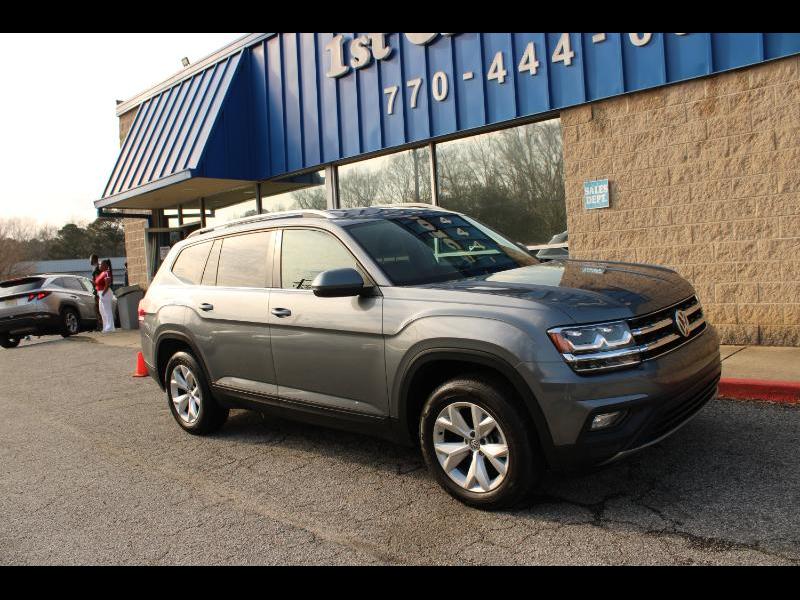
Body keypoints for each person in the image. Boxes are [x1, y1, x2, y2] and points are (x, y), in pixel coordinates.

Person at [95, 259, 115, 333]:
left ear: (105, 266)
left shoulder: (107, 273)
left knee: (107, 311)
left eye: (101, 264)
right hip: (101, 293)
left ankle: (110, 327)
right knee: (102, 311)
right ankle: (106, 326)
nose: (99, 266)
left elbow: (107, 284)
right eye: (99, 264)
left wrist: (103, 293)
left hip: (105, 293)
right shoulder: (102, 273)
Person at [89, 254, 102, 331]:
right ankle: (100, 326)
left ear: (94, 259)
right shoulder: (97, 268)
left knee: (98, 309)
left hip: (98, 291)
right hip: (98, 291)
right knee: (98, 309)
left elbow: (98, 281)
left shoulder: (97, 269)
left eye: (90, 259)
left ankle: (100, 326)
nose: (89, 261)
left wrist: (93, 283)